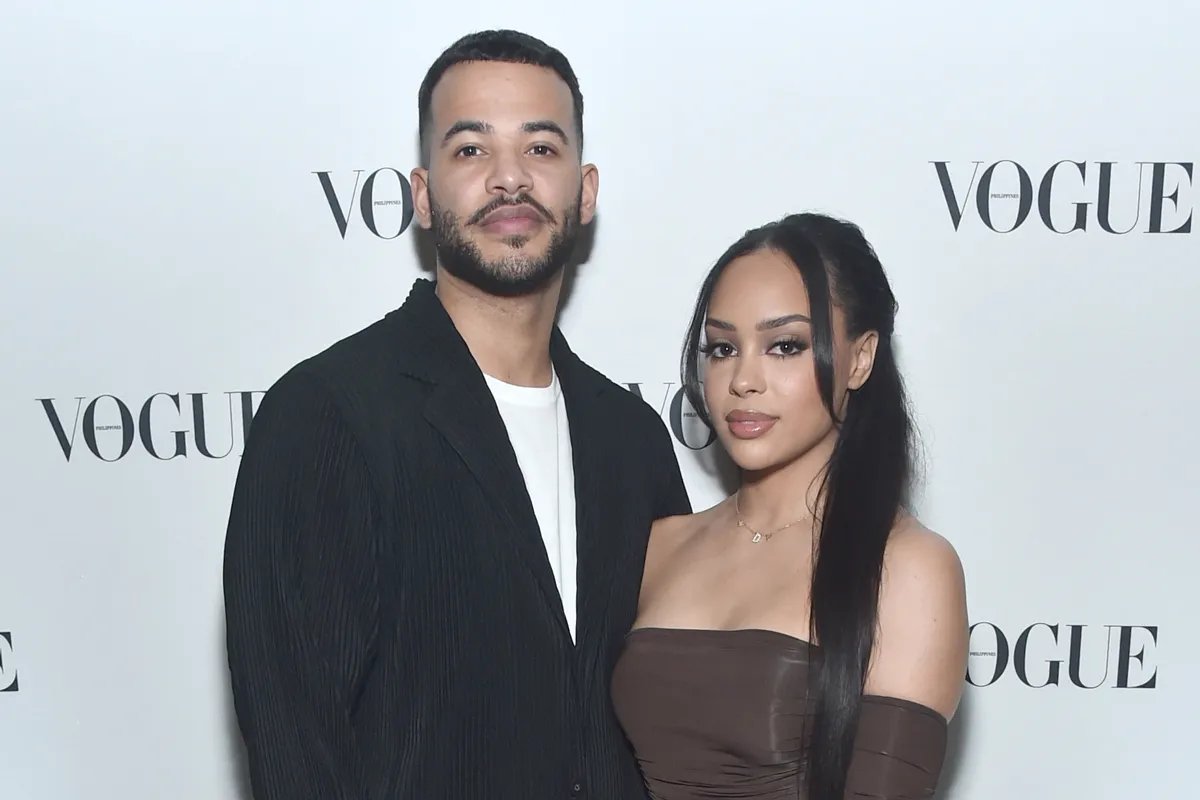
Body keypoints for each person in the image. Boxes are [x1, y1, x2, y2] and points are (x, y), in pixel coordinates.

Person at [223, 29, 690, 800]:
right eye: (471, 150)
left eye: (541, 148)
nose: (510, 177)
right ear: (422, 195)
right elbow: (297, 746)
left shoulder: (632, 440)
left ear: (586, 191)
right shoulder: (328, 415)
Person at [611, 213, 969, 799]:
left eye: (785, 346)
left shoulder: (908, 567)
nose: (743, 380)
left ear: (860, 358)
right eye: (723, 348)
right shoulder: (661, 545)